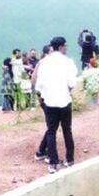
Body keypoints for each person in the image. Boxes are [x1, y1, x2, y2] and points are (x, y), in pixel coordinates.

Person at [36, 37, 78, 173]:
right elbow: (72, 83)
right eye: (65, 46)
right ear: (61, 47)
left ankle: (53, 163)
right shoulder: (68, 62)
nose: (66, 48)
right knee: (67, 130)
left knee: (51, 132)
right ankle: (70, 159)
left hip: (49, 102)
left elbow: (39, 85)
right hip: (65, 101)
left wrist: (43, 97)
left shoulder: (44, 62)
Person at [33, 44, 53, 163]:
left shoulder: (43, 63)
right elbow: (34, 80)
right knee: (52, 126)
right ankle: (46, 153)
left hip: (47, 98)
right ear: (46, 52)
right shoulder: (43, 63)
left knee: (52, 126)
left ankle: (41, 151)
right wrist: (40, 96)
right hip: (46, 99)